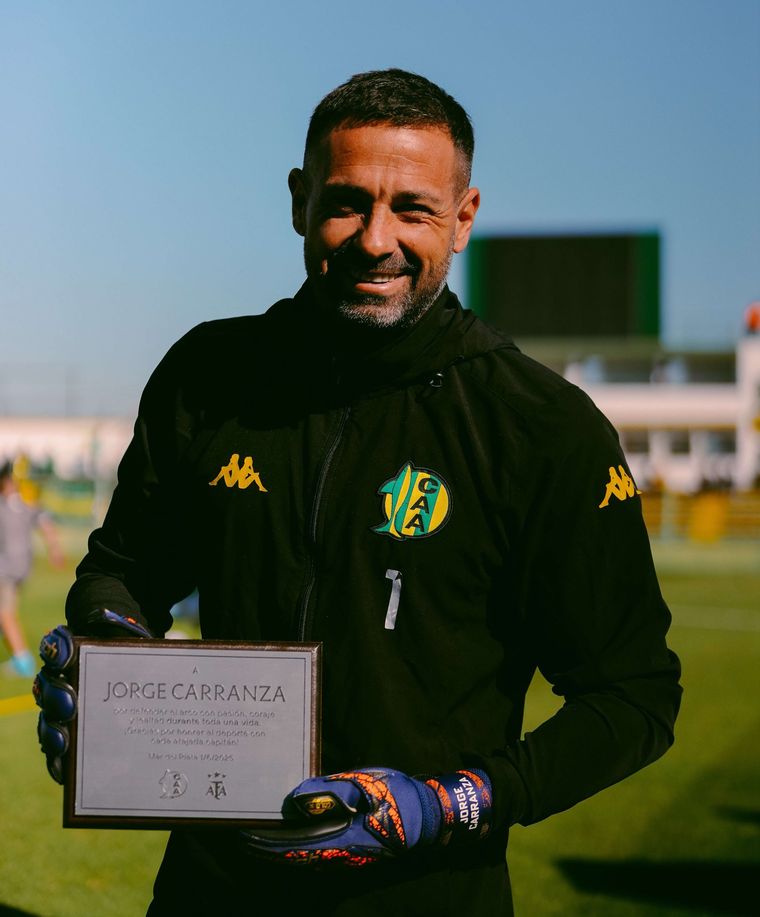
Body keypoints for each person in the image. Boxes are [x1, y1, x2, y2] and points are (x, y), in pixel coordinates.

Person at [34, 69, 681, 915]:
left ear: (464, 218)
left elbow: (632, 695)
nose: (376, 239)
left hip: (430, 895)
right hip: (211, 890)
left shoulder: (542, 427)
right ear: (300, 201)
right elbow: (122, 568)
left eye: (412, 208)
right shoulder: (209, 375)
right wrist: (106, 654)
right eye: (347, 202)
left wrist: (452, 802)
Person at [0, 461, 64, 677]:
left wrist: (54, 549)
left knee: (4, 613)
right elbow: (46, 525)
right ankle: (19, 657)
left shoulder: (13, 503)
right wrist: (54, 549)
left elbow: (45, 524)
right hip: (21, 567)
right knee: (7, 612)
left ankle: (22, 660)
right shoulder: (28, 502)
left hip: (6, 569)